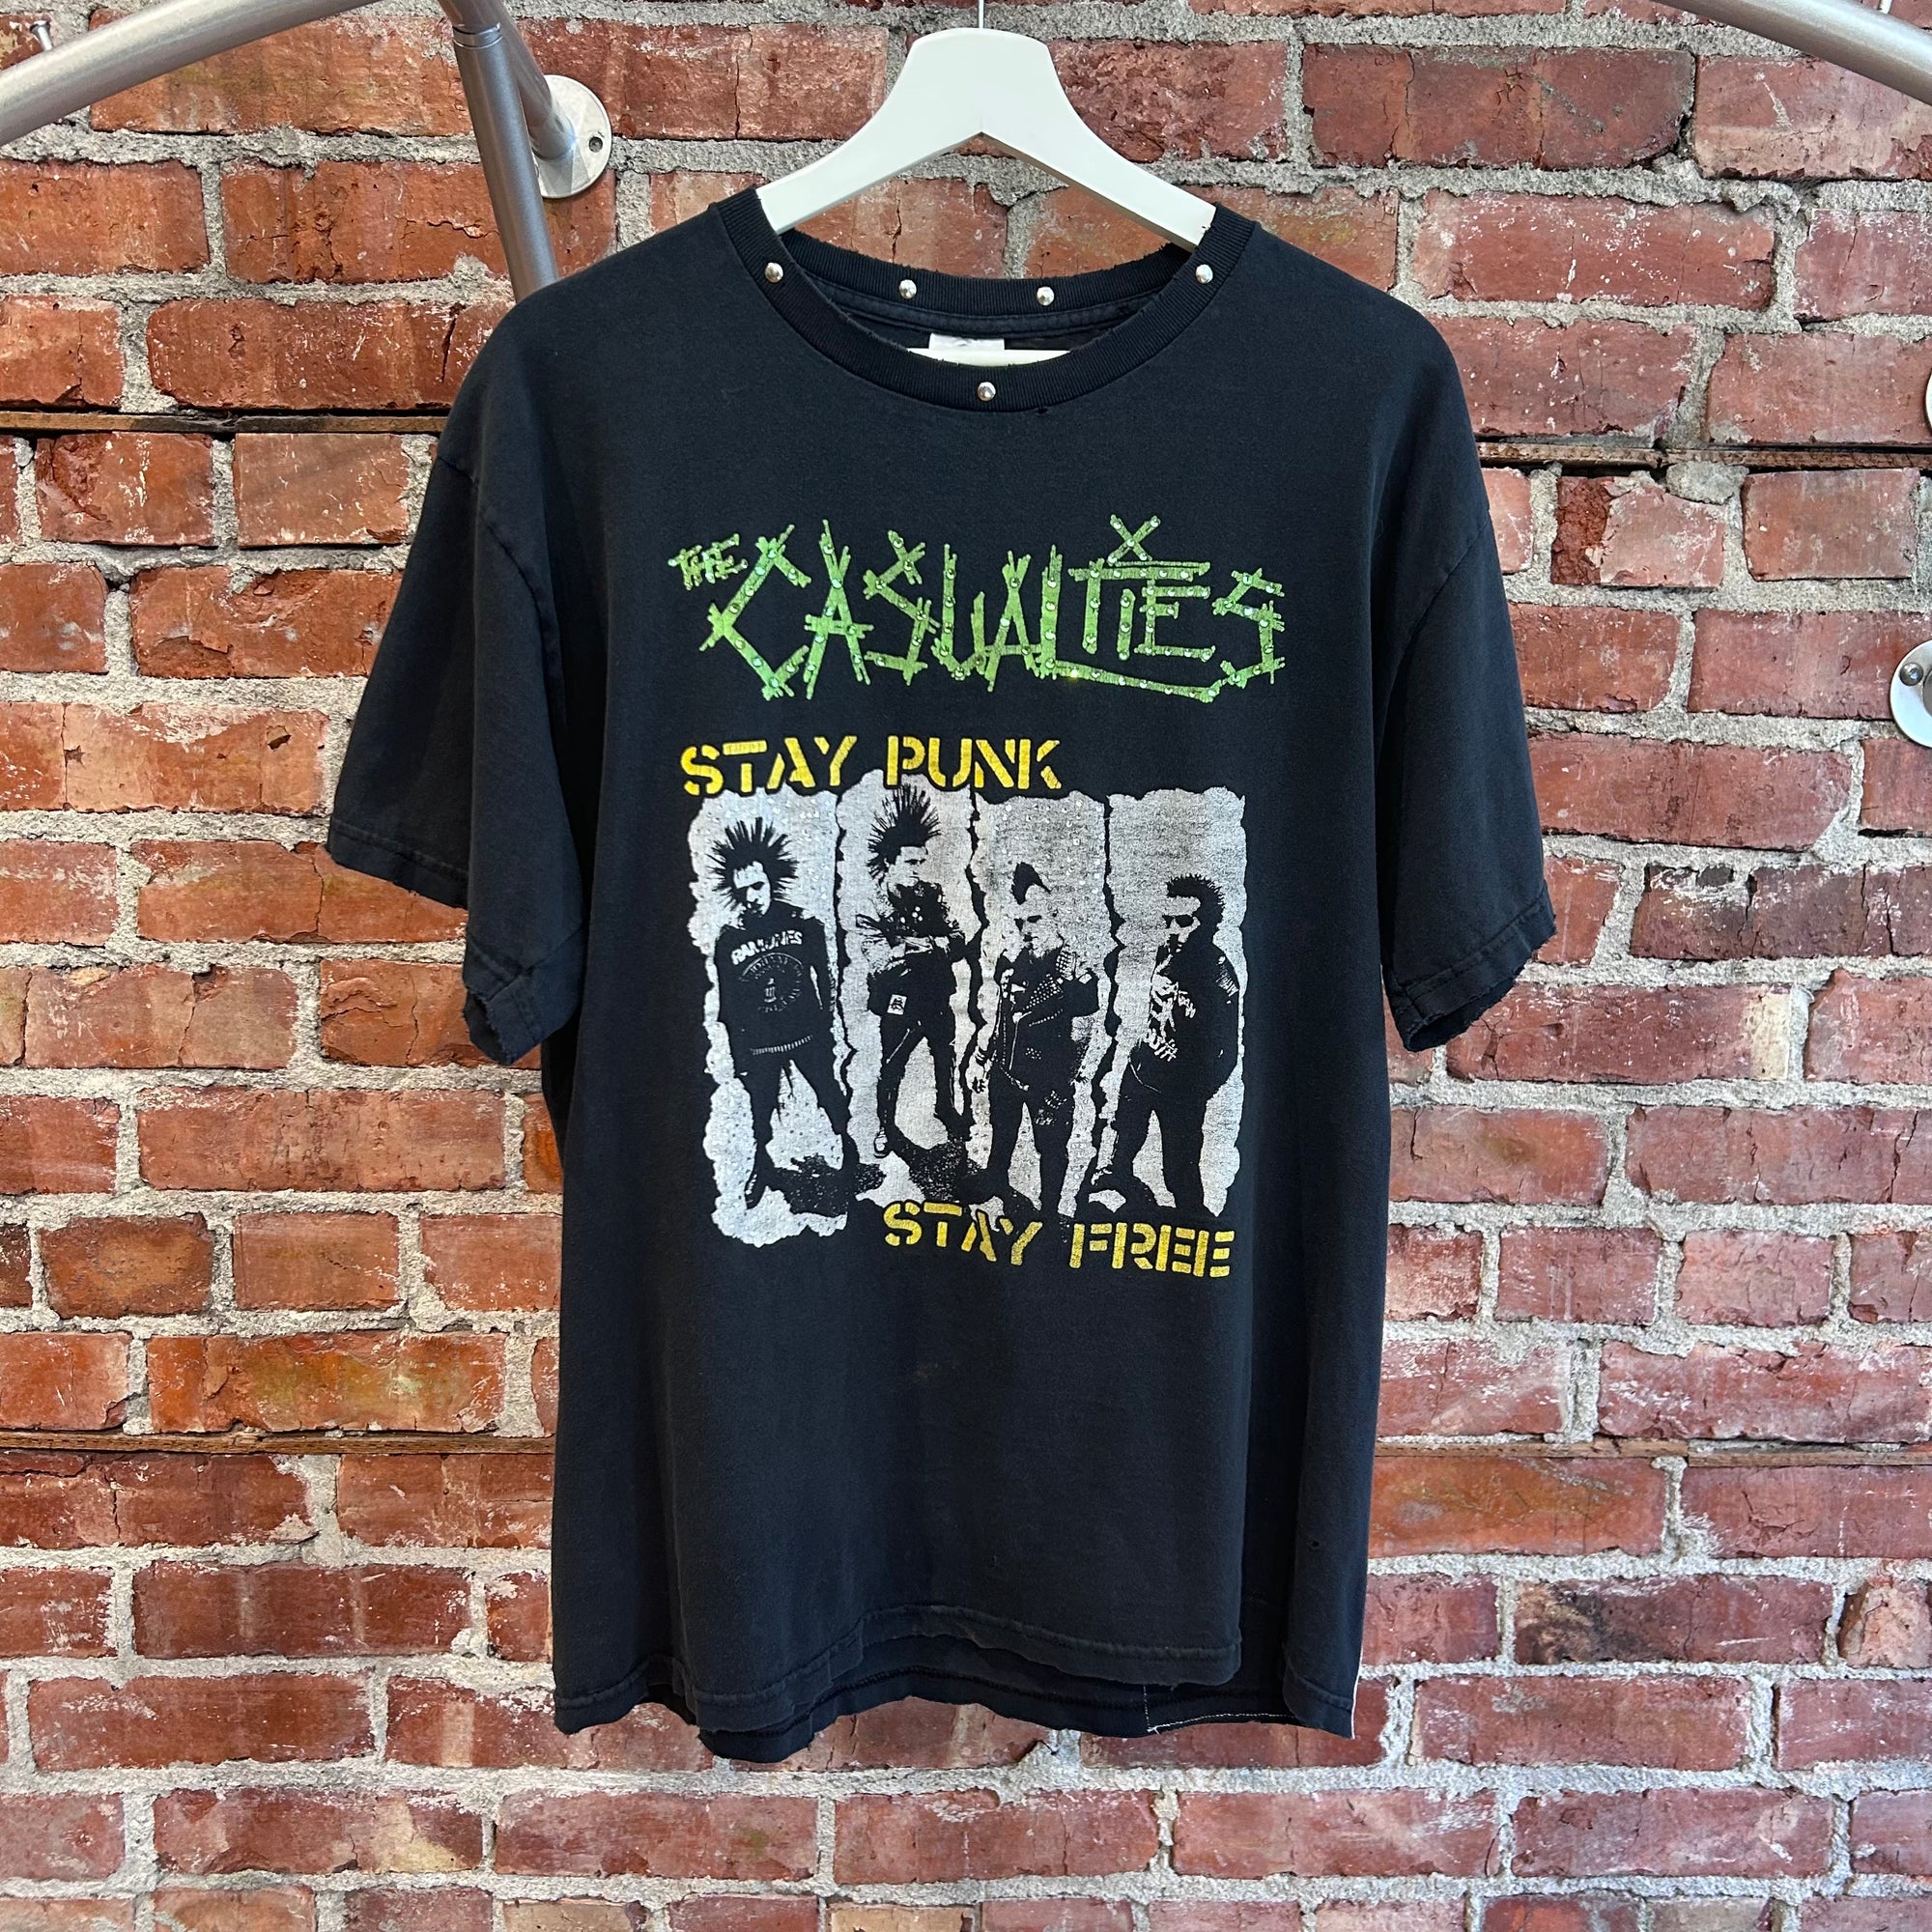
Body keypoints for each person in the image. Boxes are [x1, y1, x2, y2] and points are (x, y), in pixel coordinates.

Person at [709, 817, 858, 1209]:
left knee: (830, 1095)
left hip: (806, 1032)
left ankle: (851, 1156)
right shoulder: (729, 940)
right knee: (760, 1111)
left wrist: (828, 1028)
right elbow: (729, 1006)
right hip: (761, 1045)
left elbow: (827, 979)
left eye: (757, 886)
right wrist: (740, 1057)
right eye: (742, 891)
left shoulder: (802, 923)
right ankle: (762, 1167)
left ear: (771, 881)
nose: (751, 898)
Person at [1092, 873, 1239, 1218]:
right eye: (1168, 921)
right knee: (1124, 1138)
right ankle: (1119, 1177)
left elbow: (1228, 1053)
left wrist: (1196, 1090)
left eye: (1184, 922)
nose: (1172, 930)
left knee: (1180, 1170)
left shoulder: (1219, 976)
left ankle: (1194, 1222)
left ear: (1208, 924)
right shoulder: (1167, 951)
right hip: (1142, 1069)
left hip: (1181, 1088)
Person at [980, 862, 1100, 1220]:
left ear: (1055, 916)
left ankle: (1049, 1212)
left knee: (1050, 1148)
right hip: (1006, 1072)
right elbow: (1003, 1013)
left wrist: (1064, 1080)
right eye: (1019, 922)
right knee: (1002, 1131)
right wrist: (987, 1057)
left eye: (1035, 919)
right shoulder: (1013, 959)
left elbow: (1083, 1030)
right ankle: (995, 1179)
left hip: (1047, 1082)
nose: (1027, 931)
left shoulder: (1074, 970)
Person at [856, 784, 970, 1154]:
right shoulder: (873, 905)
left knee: (944, 1054)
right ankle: (885, 1126)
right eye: (910, 863)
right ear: (890, 863)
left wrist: (929, 945)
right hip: (899, 1000)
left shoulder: (932, 894)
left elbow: (958, 938)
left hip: (936, 995)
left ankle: (945, 1108)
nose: (918, 871)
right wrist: (916, 947)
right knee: (893, 1064)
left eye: (921, 862)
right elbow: (878, 962)